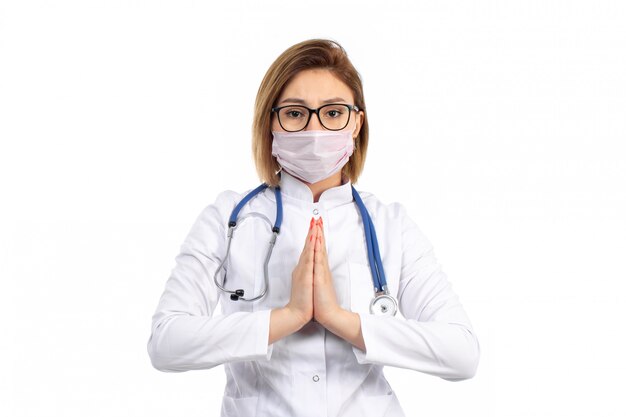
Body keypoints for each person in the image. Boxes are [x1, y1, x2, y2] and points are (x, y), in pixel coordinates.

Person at [147, 38, 480, 417]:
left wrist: (342, 320)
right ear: (270, 122)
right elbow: (166, 343)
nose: (315, 130)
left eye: (333, 113)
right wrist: (284, 318)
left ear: (357, 122)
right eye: (295, 113)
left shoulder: (391, 225)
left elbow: (462, 353)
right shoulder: (228, 219)